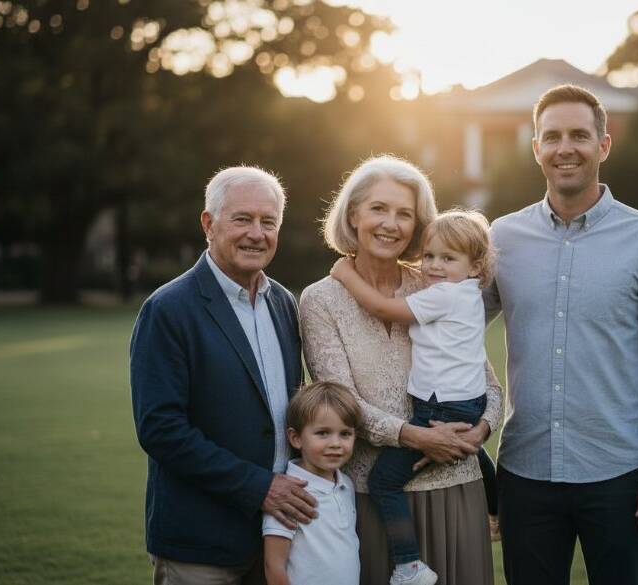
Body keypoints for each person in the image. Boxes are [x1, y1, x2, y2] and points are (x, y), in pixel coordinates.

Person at [484, 84, 638, 585]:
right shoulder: (502, 238)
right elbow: (451, 322)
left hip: (620, 476)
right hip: (525, 475)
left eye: (579, 135)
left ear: (603, 144)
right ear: (536, 147)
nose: (565, 148)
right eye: (552, 136)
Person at [299, 155, 502, 585]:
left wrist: (479, 431)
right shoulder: (321, 300)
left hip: (456, 488)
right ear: (353, 214)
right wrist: (417, 436)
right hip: (374, 498)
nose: (391, 223)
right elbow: (342, 402)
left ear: (417, 225)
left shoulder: (436, 281)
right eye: (378, 208)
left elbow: (487, 383)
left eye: (404, 214)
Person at [130, 166, 317, 585]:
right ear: (208, 224)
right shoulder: (169, 309)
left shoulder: (283, 302)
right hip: (200, 540)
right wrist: (259, 487)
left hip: (276, 538)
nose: (257, 233)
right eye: (242, 219)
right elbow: (160, 429)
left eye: (268, 222)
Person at [263, 381, 362, 585]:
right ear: (296, 438)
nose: (335, 443)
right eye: (322, 433)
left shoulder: (347, 485)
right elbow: (273, 566)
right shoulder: (289, 493)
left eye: (345, 434)